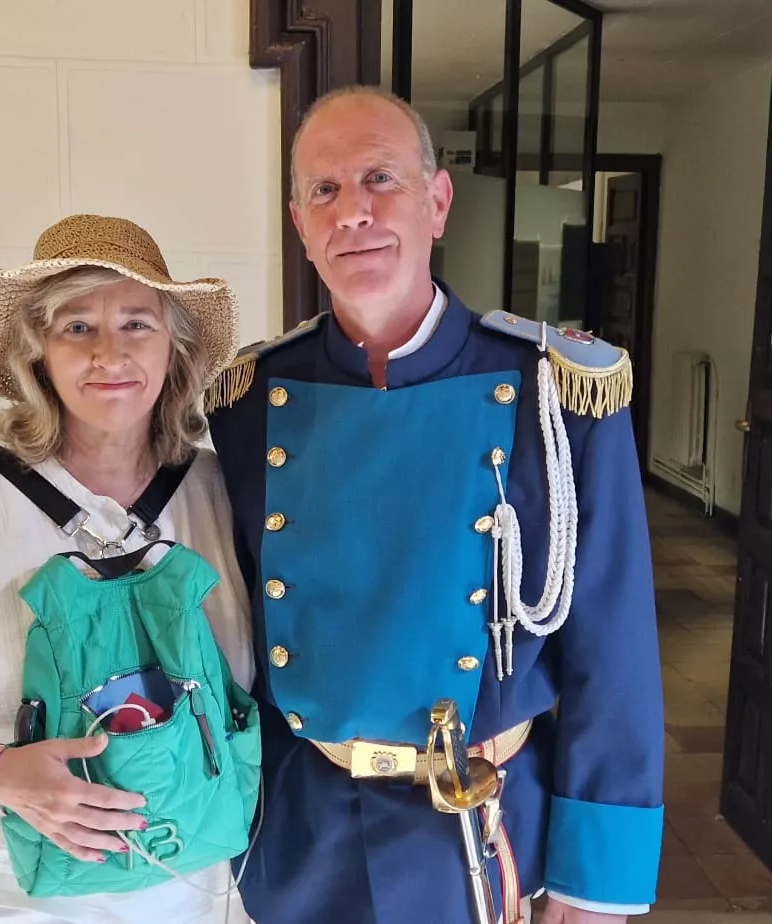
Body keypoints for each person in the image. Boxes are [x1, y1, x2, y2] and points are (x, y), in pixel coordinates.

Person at [205, 86, 664, 923]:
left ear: (438, 201)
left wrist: (596, 879)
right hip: (303, 834)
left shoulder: (555, 391)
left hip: (485, 829)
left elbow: (614, 645)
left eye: (380, 178)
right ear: (301, 225)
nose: (353, 211)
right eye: (324, 190)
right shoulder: (247, 401)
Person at [0, 214, 259, 923]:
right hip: (4, 892)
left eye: (136, 324)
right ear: (38, 352)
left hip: (193, 889)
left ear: (174, 346)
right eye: (77, 327)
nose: (109, 353)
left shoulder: (219, 493)